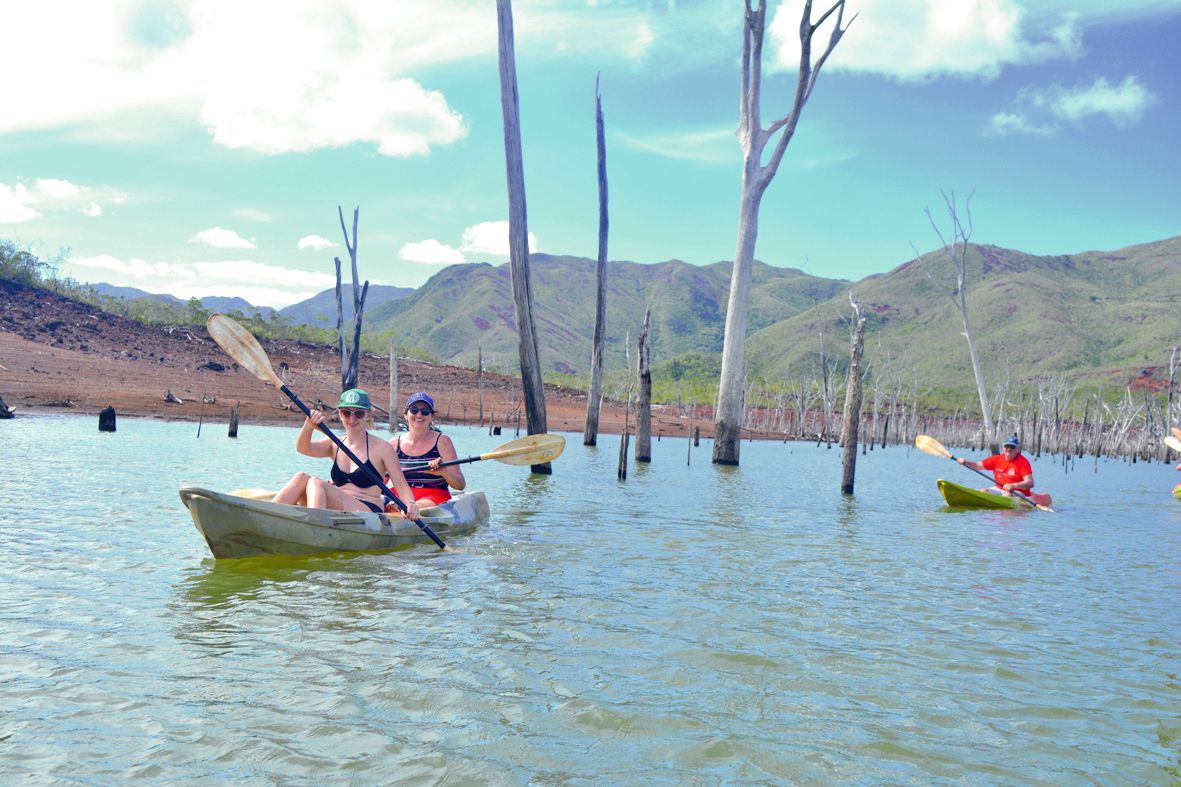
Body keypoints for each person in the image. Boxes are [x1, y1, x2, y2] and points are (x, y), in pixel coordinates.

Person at [272, 388, 420, 520]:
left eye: (359, 413)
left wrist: (410, 504)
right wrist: (309, 425)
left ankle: (315, 526)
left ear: (368, 414)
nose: (352, 419)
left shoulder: (383, 448)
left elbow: (401, 484)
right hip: (336, 508)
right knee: (301, 477)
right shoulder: (334, 443)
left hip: (368, 511)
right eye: (346, 413)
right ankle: (268, 516)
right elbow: (303, 448)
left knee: (316, 483)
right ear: (340, 414)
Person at [389, 391, 466, 506]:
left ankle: (406, 511)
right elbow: (378, 482)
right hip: (401, 495)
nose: (419, 415)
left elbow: (460, 485)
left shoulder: (442, 441)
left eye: (425, 411)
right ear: (406, 415)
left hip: (433, 495)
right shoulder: (393, 444)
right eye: (414, 410)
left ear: (431, 417)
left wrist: (444, 473)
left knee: (415, 506)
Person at [958, 434, 1052, 507]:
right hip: (999, 489)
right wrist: (965, 462)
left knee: (1007, 494)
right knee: (983, 490)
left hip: (1018, 492)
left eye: (1012, 447)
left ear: (1017, 449)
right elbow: (977, 466)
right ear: (1002, 447)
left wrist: (1013, 485)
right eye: (1006, 446)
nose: (1009, 449)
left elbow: (1030, 483)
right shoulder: (996, 459)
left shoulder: (1023, 462)